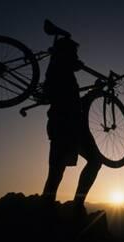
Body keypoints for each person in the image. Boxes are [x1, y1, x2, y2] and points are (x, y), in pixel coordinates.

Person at [41, 36, 102, 213]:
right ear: (66, 52)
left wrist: (94, 92)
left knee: (94, 161)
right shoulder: (57, 67)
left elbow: (76, 101)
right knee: (56, 171)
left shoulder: (64, 70)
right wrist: (75, 63)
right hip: (63, 123)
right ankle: (47, 210)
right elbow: (55, 94)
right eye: (74, 52)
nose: (76, 56)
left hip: (75, 125)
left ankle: (76, 205)